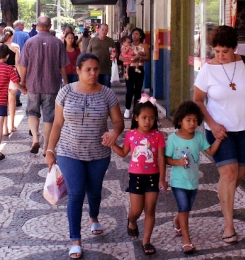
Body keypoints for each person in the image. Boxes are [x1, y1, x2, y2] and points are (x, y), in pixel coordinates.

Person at [193, 25, 245, 245]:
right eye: (216, 51)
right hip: (219, 132)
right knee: (228, 174)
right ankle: (229, 225)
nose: (220, 56)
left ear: (234, 48)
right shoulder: (208, 69)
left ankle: (225, 200)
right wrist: (212, 124)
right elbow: (198, 100)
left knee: (237, 176)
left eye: (224, 51)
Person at [45, 53, 124, 260]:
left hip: (99, 153)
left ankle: (94, 217)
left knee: (95, 191)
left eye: (96, 69)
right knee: (77, 192)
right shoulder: (65, 92)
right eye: (88, 69)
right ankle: (75, 240)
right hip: (69, 152)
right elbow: (57, 124)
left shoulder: (107, 94)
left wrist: (114, 133)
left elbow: (118, 122)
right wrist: (50, 150)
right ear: (77, 70)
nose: (93, 73)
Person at [110, 94, 166, 256]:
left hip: (153, 177)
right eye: (144, 118)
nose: (148, 121)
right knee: (136, 209)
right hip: (135, 178)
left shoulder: (158, 136)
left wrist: (162, 179)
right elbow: (123, 153)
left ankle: (146, 241)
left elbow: (161, 158)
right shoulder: (131, 135)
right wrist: (112, 144)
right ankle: (132, 220)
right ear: (136, 118)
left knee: (150, 209)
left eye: (151, 118)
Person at [166, 101, 221, 254]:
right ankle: (186, 240)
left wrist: (219, 139)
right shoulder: (173, 139)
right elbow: (166, 158)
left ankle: (176, 222)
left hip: (193, 181)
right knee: (184, 207)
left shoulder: (198, 137)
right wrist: (177, 162)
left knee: (186, 209)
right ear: (179, 121)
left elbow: (210, 151)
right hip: (178, 181)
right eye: (188, 120)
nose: (192, 123)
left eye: (195, 120)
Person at [18, 15, 69, 155]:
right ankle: (47, 146)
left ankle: (35, 137)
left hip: (33, 84)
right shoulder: (58, 43)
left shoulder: (30, 42)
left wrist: (22, 80)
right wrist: (65, 81)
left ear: (37, 26)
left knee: (32, 112)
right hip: (51, 84)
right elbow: (63, 65)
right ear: (50, 26)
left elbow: (23, 65)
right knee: (49, 116)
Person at [119, 27, 150, 119]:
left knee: (138, 91)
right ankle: (127, 109)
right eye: (133, 34)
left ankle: (136, 109)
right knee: (129, 90)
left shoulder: (144, 45)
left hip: (139, 69)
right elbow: (120, 57)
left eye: (136, 34)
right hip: (129, 69)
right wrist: (130, 59)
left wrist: (139, 58)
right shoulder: (128, 44)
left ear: (140, 36)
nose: (134, 36)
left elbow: (147, 58)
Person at [0, 27, 22, 134]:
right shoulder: (16, 47)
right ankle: (12, 125)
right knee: (12, 101)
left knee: (4, 103)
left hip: (1, 76)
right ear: (12, 35)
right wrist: (21, 78)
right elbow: (18, 64)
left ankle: (5, 129)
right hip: (12, 74)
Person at [12, 20, 30, 106]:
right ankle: (17, 96)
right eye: (23, 25)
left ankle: (12, 95)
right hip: (22, 61)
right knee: (20, 78)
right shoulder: (25, 35)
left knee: (12, 79)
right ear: (19, 25)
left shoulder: (9, 34)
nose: (23, 27)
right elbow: (30, 47)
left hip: (10, 62)